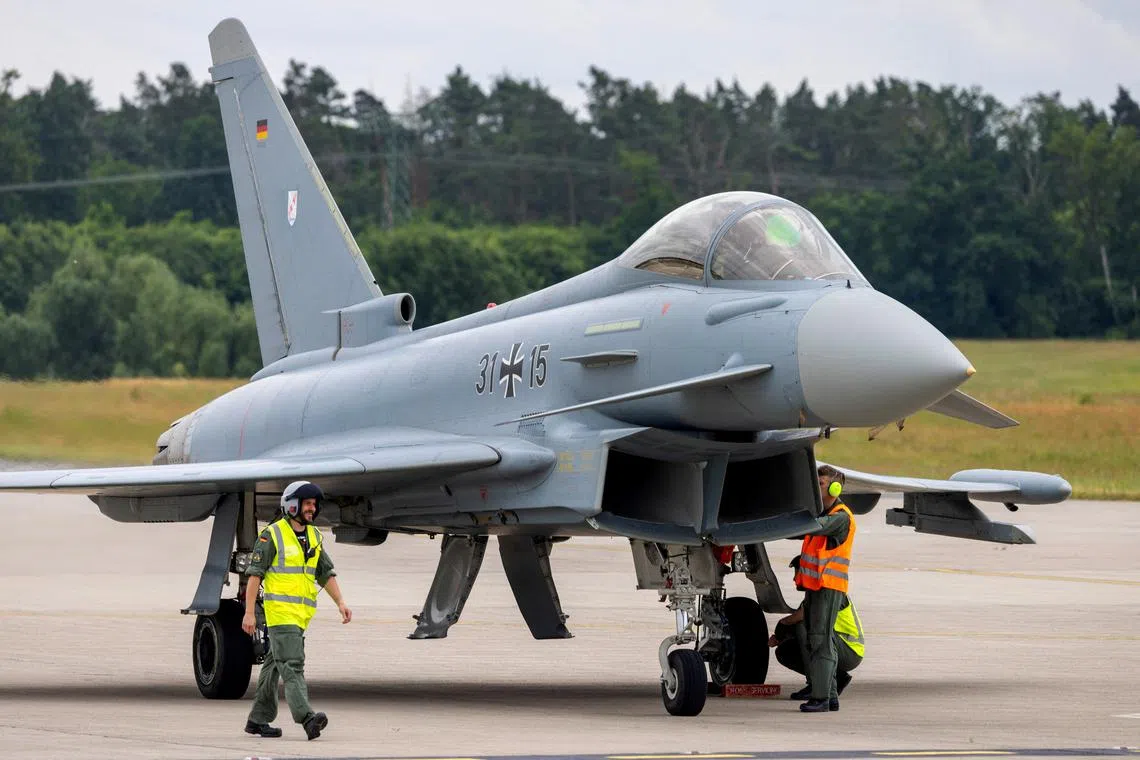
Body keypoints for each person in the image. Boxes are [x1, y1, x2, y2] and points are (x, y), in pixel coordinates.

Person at [241, 481, 352, 740]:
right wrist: (249, 613)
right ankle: (307, 718)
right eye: (307, 504)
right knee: (293, 664)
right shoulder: (273, 534)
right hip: (280, 613)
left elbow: (325, 573)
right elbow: (255, 575)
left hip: (300, 615)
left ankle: (258, 719)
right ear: (292, 505)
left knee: (274, 665)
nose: (312, 509)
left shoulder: (314, 536)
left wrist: (341, 603)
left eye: (314, 504)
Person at [793, 464, 856, 713]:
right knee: (818, 638)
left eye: (820, 484)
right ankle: (829, 696)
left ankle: (820, 698)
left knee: (821, 641)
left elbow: (813, 526)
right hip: (816, 586)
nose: (815, 488)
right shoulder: (825, 514)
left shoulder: (840, 517)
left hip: (829, 587)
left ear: (834, 487)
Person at [768, 595, 864, 699]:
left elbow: (802, 617)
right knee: (785, 651)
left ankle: (816, 686)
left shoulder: (832, 592)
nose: (796, 579)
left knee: (804, 626)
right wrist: (780, 637)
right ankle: (836, 677)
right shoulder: (813, 594)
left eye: (798, 577)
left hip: (850, 651)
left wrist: (782, 624)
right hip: (837, 645)